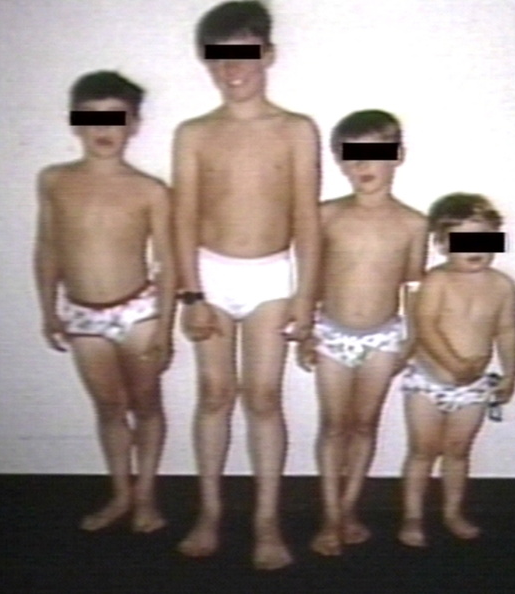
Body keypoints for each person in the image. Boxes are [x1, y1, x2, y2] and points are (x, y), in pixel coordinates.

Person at [172, 1, 320, 570]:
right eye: (217, 58)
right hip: (209, 275)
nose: (230, 70)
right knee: (213, 395)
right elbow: (183, 219)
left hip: (271, 278)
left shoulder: (296, 130)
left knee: (263, 398)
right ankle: (209, 512)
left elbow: (307, 220)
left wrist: (306, 297)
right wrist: (190, 295)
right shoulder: (193, 133)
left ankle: (266, 520)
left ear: (268, 55)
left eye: (242, 55)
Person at [33, 71, 175, 533]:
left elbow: (168, 262)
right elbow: (48, 247)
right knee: (109, 408)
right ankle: (120, 494)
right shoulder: (54, 180)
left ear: (134, 125)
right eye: (92, 118)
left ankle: (147, 497)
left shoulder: (150, 189)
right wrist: (47, 309)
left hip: (138, 313)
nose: (104, 128)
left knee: (146, 404)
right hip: (81, 314)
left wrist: (165, 327)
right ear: (74, 123)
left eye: (116, 118)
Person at [297, 110, 428, 556]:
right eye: (352, 157)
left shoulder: (413, 223)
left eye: (374, 154)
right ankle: (329, 515)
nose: (363, 166)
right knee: (334, 425)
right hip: (332, 334)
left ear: (398, 156)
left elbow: (414, 285)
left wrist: (413, 339)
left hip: (384, 339)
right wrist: (305, 329)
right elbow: (311, 276)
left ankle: (349, 508)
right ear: (339, 162)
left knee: (365, 423)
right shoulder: (327, 215)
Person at [397, 193, 515, 547]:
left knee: (458, 451)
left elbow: (507, 331)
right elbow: (425, 326)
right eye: (463, 240)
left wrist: (510, 374)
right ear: (441, 244)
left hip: (473, 387)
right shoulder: (437, 281)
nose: (475, 248)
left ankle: (452, 512)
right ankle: (412, 516)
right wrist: (453, 363)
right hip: (428, 383)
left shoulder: (502, 286)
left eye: (484, 238)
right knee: (422, 451)